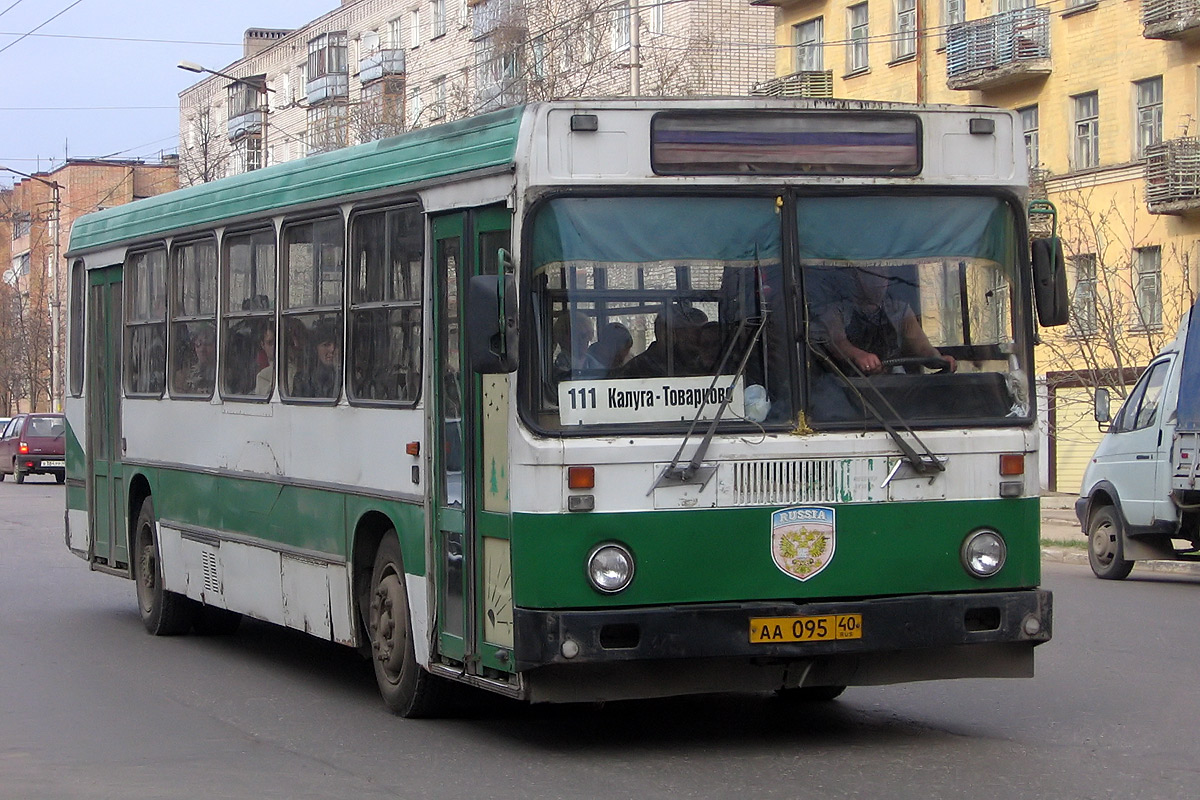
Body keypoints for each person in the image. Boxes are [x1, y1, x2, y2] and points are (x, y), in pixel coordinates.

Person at [817, 267, 956, 375]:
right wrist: (858, 355)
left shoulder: (900, 311)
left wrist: (937, 359)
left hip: (894, 388)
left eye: (883, 272)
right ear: (856, 276)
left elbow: (921, 347)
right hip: (850, 392)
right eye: (872, 274)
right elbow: (838, 343)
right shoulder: (836, 312)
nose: (880, 279)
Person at [618, 304, 708, 378]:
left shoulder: (702, 363)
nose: (702, 338)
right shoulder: (637, 369)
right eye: (696, 332)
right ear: (671, 334)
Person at [291, 318, 340, 398]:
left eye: (336, 345)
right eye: (326, 345)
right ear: (315, 349)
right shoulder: (302, 380)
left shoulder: (347, 378)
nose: (332, 349)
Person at [174, 325, 216, 394]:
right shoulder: (186, 374)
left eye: (207, 344)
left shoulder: (223, 374)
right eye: (198, 344)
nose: (202, 350)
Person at [552, 310, 594, 379]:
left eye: (589, 334)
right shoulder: (557, 369)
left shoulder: (596, 364)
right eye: (578, 336)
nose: (586, 340)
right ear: (562, 338)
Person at [253, 324, 276, 396]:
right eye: (270, 343)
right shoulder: (259, 371)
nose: (274, 347)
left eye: (276, 342)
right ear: (262, 345)